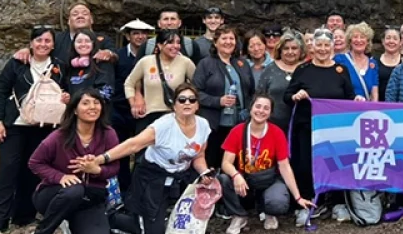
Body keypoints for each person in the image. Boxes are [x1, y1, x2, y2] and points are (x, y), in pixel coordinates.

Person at [85, 83, 213, 234]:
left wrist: (204, 172)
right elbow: (133, 144)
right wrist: (101, 159)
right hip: (152, 177)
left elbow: (199, 156)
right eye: (182, 100)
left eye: (192, 100)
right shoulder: (163, 125)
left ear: (197, 105)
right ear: (174, 105)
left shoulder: (203, 125)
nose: (187, 103)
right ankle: (111, 217)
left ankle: (164, 215)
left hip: (180, 177)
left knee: (183, 227)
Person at [0, 26, 69, 233]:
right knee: (8, 168)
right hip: (15, 124)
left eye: (47, 41)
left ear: (54, 44)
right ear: (31, 43)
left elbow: (68, 91)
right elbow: (1, 90)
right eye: (39, 40)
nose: (43, 44)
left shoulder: (59, 66)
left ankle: (24, 214)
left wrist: (66, 98)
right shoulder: (18, 63)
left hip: (45, 125)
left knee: (32, 170)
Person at [25, 88, 120, 234]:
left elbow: (114, 167)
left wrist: (97, 171)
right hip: (55, 194)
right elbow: (35, 162)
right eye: (85, 103)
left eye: (96, 102)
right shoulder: (59, 136)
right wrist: (60, 177)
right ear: (75, 109)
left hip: (90, 198)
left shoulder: (108, 134)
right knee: (74, 190)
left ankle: (67, 221)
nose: (92, 107)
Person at [284, 29, 360, 226]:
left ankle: (337, 203)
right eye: (319, 45)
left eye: (327, 45)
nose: (323, 49)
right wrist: (296, 96)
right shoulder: (303, 70)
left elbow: (349, 96)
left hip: (335, 129)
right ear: (312, 47)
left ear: (333, 47)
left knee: (336, 163)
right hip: (307, 126)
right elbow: (287, 96)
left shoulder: (341, 70)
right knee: (305, 165)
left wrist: (357, 100)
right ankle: (306, 204)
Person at [218, 94, 315, 234]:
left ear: (270, 113)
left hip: (268, 179)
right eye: (258, 106)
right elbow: (226, 163)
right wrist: (236, 175)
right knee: (223, 179)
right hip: (244, 179)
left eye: (266, 108)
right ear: (251, 108)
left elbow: (284, 167)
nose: (261, 111)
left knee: (278, 203)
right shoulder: (238, 131)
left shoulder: (276, 132)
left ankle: (269, 212)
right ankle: (239, 215)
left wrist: (298, 197)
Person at [194, 26, 255, 172]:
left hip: (239, 124)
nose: (228, 42)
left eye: (231, 38)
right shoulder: (205, 64)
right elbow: (195, 93)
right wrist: (218, 101)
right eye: (224, 38)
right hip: (214, 125)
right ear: (215, 42)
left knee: (236, 164)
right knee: (212, 163)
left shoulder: (242, 64)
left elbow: (251, 92)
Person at [124, 29, 197, 132]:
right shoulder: (146, 61)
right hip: (149, 116)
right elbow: (129, 83)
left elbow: (197, 85)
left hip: (175, 116)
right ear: (159, 45)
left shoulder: (186, 62)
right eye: (170, 42)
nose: (175, 46)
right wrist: (134, 103)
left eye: (178, 42)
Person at [113, 19, 155, 189]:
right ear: (128, 36)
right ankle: (123, 188)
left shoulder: (153, 56)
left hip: (146, 109)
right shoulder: (118, 56)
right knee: (121, 149)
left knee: (144, 151)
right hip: (120, 110)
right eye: (135, 33)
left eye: (143, 33)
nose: (140, 37)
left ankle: (140, 188)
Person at [13, 3, 117, 66]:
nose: (80, 16)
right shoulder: (56, 39)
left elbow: (115, 55)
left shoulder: (103, 39)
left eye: (85, 14)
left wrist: (108, 54)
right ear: (68, 21)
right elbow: (42, 48)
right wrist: (28, 51)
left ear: (92, 20)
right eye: (75, 14)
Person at [257, 30, 304, 129]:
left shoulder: (307, 69)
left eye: (294, 48)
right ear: (280, 50)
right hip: (272, 126)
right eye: (286, 48)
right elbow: (259, 96)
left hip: (301, 126)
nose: (290, 52)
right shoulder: (270, 69)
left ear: (300, 50)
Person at [62, 30, 116, 99]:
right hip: (74, 105)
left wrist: (83, 100)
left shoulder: (103, 64)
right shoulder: (71, 66)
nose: (83, 44)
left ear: (93, 43)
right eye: (79, 41)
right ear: (74, 44)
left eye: (87, 41)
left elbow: (106, 93)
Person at [334, 22, 380, 101]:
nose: (359, 40)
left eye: (362, 37)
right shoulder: (339, 59)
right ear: (350, 41)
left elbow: (374, 93)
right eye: (355, 37)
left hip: (365, 107)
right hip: (346, 106)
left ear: (367, 41)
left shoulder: (372, 63)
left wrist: (374, 107)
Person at [376, 26, 403, 102]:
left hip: (401, 105)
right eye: (388, 38)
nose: (391, 41)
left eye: (395, 38)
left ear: (400, 42)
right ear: (383, 41)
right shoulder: (374, 62)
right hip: (379, 105)